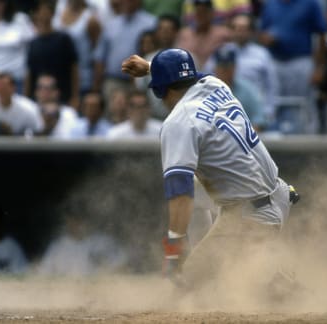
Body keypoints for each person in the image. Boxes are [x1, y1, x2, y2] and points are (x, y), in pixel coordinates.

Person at [121, 48, 299, 292]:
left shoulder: (178, 122)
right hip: (278, 194)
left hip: (250, 218)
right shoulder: (215, 84)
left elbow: (179, 195)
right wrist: (152, 67)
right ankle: (260, 270)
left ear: (161, 90)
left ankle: (271, 283)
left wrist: (173, 251)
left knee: (191, 286)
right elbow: (192, 74)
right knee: (196, 184)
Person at [258, 0, 327, 134]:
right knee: (275, 104)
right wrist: (266, 38)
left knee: (304, 104)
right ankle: (277, 143)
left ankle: (309, 140)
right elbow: (261, 33)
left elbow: (321, 36)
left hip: (301, 61)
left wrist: (320, 67)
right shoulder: (271, 4)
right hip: (275, 61)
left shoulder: (310, 3)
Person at [204, 13, 278, 125]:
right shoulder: (221, 52)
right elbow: (206, 79)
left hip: (253, 109)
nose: (240, 32)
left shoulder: (262, 54)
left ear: (251, 31)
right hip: (222, 109)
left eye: (244, 29)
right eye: (236, 28)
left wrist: (268, 112)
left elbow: (271, 86)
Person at [93, 0, 156, 103]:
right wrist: (96, 88)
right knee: (113, 116)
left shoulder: (151, 23)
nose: (126, 3)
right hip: (113, 81)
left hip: (140, 81)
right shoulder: (111, 25)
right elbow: (100, 58)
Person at [26, 0, 79, 109]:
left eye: (46, 11)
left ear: (52, 14)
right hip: (39, 98)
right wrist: (27, 99)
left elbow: (74, 68)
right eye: (40, 11)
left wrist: (75, 96)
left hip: (63, 96)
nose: (43, 15)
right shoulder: (33, 42)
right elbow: (30, 73)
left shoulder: (64, 39)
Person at [52, 0, 102, 96]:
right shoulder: (59, 13)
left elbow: (98, 53)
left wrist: (96, 86)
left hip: (83, 79)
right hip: (59, 77)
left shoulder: (90, 19)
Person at [211, 45, 266, 131]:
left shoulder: (248, 89)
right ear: (215, 68)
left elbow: (258, 120)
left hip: (243, 139)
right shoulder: (207, 89)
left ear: (235, 67)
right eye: (222, 66)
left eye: (228, 67)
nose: (225, 70)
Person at [176, 0, 230, 69]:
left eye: (204, 11)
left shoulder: (223, 34)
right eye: (198, 11)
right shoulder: (184, 34)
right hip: (189, 75)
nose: (201, 15)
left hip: (214, 75)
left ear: (212, 13)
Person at [34, 73, 79, 139]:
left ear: (57, 92)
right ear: (36, 92)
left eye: (50, 88)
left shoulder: (69, 113)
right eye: (41, 88)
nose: (45, 92)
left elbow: (72, 140)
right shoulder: (30, 111)